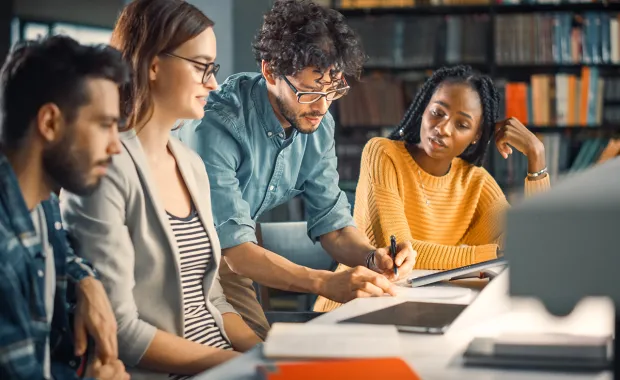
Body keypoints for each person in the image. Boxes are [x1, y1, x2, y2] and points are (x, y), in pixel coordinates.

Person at [174, 0, 416, 340]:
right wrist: (326, 283)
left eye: (333, 90)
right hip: (187, 256)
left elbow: (333, 226)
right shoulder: (216, 124)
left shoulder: (318, 123)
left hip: (233, 251)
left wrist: (372, 258)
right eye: (308, 92)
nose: (322, 107)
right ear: (270, 71)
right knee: (255, 352)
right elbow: (236, 254)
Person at [60, 1, 261, 379]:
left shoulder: (191, 164)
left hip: (225, 365)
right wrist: (246, 365)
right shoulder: (104, 170)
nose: (213, 83)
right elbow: (122, 330)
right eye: (202, 67)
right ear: (153, 65)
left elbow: (212, 297)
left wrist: (267, 353)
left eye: (213, 69)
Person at [314, 65, 551, 312]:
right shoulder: (383, 154)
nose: (443, 128)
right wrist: (498, 253)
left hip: (418, 309)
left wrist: (536, 156)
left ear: (476, 136)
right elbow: (400, 255)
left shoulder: (476, 183)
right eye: (438, 112)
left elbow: (536, 248)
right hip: (353, 308)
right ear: (424, 106)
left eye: (462, 125)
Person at [0, 35, 130, 379]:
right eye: (105, 125)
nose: (116, 146)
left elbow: (63, 254)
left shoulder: (41, 202)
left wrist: (85, 280)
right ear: (50, 123)